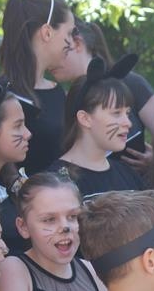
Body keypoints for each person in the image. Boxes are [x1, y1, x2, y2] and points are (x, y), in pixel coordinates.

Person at [50, 17, 154, 173]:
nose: (52, 59)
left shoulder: (130, 83)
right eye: (116, 112)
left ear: (77, 43)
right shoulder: (63, 97)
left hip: (134, 183)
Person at [0, 0, 75, 174]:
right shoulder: (2, 94)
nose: (72, 44)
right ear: (47, 32)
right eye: (69, 33)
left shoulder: (57, 92)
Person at [49, 56, 146, 197]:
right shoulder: (57, 182)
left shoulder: (128, 175)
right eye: (116, 113)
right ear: (85, 118)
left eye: (127, 113)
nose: (128, 123)